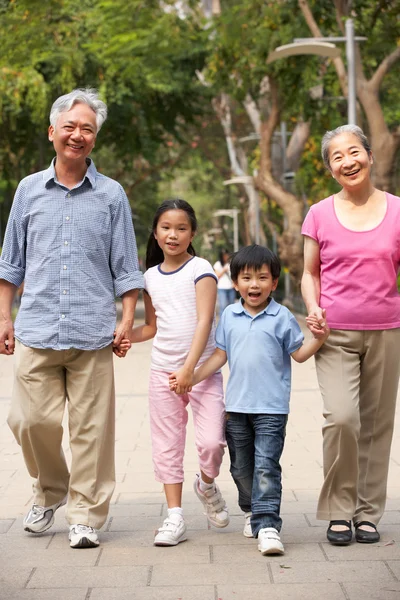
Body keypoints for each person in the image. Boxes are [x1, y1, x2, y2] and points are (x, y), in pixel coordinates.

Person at [0, 88, 144, 549]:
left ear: (94, 139)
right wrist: (4, 316)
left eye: (87, 129)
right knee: (26, 421)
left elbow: (125, 265)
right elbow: (11, 263)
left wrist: (126, 320)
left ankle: (85, 514)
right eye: (70, 127)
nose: (77, 135)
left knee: (92, 433)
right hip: (37, 328)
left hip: (93, 332)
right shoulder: (27, 190)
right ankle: (50, 490)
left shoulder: (111, 195)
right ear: (52, 133)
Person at [170, 244, 330, 555]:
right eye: (245, 278)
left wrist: (319, 338)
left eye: (261, 278)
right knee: (241, 468)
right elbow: (220, 355)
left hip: (271, 409)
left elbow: (298, 355)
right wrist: (192, 377)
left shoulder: (281, 316)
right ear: (235, 281)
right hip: (236, 408)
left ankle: (268, 524)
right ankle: (251, 510)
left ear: (274, 283)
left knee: (266, 467)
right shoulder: (229, 314)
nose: (253, 284)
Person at [301, 124, 400, 546]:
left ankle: (366, 512)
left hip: (387, 331)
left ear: (370, 157)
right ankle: (339, 509)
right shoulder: (319, 213)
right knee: (342, 418)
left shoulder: (397, 209)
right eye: (337, 157)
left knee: (376, 426)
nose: (348, 161)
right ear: (330, 168)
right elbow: (309, 273)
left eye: (354, 152)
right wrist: (313, 308)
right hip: (335, 333)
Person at [127, 198, 229, 546]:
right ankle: (174, 518)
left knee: (213, 442)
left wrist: (189, 371)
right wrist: (123, 338)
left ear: (192, 233)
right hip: (163, 374)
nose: (173, 234)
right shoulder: (149, 277)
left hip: (200, 373)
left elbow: (205, 321)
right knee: (168, 446)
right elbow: (151, 327)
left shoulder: (201, 268)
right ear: (155, 234)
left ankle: (207, 483)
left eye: (181, 228)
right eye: (166, 228)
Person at [213, 249, 236, 315]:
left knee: (232, 305)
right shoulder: (217, 264)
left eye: (226, 255)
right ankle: (222, 322)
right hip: (222, 288)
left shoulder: (231, 263)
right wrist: (224, 270)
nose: (225, 257)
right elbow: (217, 276)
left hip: (231, 287)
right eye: (224, 255)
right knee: (223, 306)